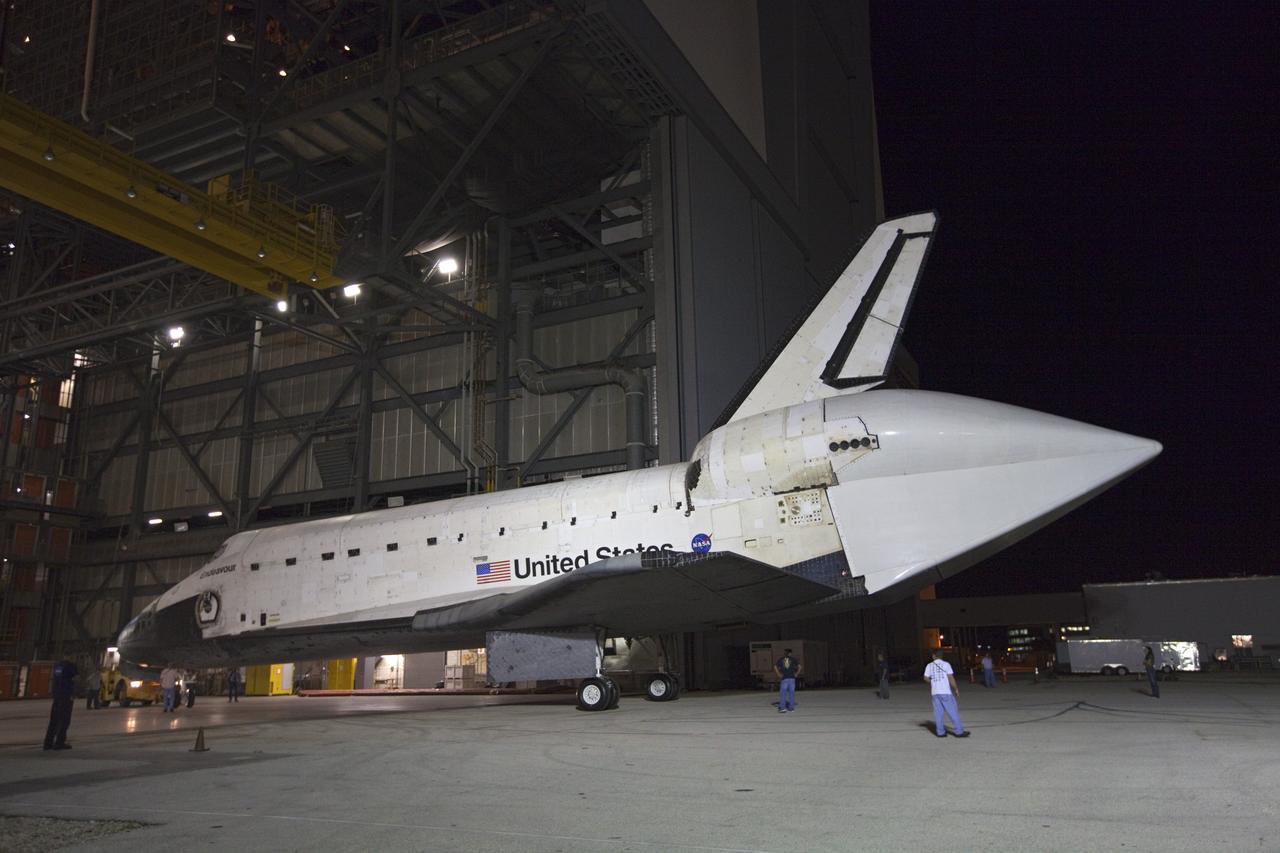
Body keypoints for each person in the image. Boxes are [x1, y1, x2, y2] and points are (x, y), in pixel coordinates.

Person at [924, 649, 969, 738]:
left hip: (935, 693)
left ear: (934, 656)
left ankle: (940, 732)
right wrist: (956, 688)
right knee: (953, 712)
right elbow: (950, 678)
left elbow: (925, 678)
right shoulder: (946, 664)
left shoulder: (929, 665)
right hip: (945, 692)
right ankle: (959, 731)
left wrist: (932, 682)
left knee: (938, 713)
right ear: (941, 656)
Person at [43, 659, 78, 750]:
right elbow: (75, 679)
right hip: (66, 696)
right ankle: (59, 742)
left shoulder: (58, 666)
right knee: (64, 720)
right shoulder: (71, 666)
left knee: (54, 720)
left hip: (57, 696)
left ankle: (48, 743)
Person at [774, 648, 802, 713]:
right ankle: (791, 708)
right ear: (790, 653)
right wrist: (796, 674)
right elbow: (800, 666)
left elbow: (775, 666)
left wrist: (778, 674)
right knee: (791, 694)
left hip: (784, 678)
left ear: (784, 653)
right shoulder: (793, 659)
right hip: (792, 678)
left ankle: (782, 708)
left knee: (783, 694)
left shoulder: (781, 659)